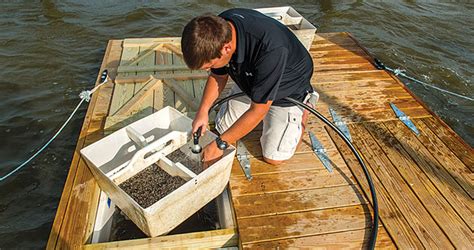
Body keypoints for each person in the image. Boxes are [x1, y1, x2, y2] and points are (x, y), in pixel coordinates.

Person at [181, 8, 315, 166]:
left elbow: (258, 110)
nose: (207, 70)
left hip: (287, 88)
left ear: (226, 49)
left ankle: (305, 106)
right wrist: (202, 111)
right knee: (222, 128)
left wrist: (220, 145)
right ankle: (257, 95)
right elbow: (218, 75)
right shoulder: (220, 27)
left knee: (274, 158)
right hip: (252, 78)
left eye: (209, 65)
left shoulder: (271, 50)